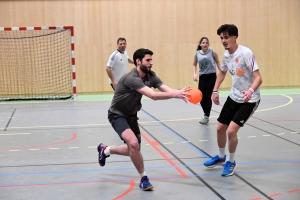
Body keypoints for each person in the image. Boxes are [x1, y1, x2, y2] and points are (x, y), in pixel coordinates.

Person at [97, 48, 189, 190]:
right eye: (148, 60)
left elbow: (166, 89)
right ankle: (144, 178)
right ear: (138, 62)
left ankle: (105, 150)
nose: (151, 63)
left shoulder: (151, 76)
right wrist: (176, 94)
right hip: (117, 114)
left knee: (134, 149)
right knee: (133, 144)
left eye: (151, 60)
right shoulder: (132, 78)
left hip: (131, 115)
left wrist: (181, 93)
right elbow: (152, 95)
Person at [203, 24, 262, 176]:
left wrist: (250, 91)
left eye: (226, 37)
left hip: (249, 99)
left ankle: (231, 161)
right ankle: (221, 157)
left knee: (231, 131)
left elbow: (258, 78)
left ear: (234, 37)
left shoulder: (246, 53)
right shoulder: (226, 55)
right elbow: (222, 72)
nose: (223, 40)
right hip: (234, 96)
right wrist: (215, 90)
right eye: (222, 38)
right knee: (220, 128)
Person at [192, 37, 221, 124]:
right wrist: (194, 74)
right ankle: (206, 113)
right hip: (202, 77)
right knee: (201, 97)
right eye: (203, 43)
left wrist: (221, 70)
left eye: (206, 43)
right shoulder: (197, 54)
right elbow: (194, 65)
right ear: (200, 44)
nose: (205, 44)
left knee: (207, 96)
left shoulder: (213, 53)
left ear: (208, 44)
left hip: (211, 76)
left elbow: (218, 62)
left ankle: (206, 116)